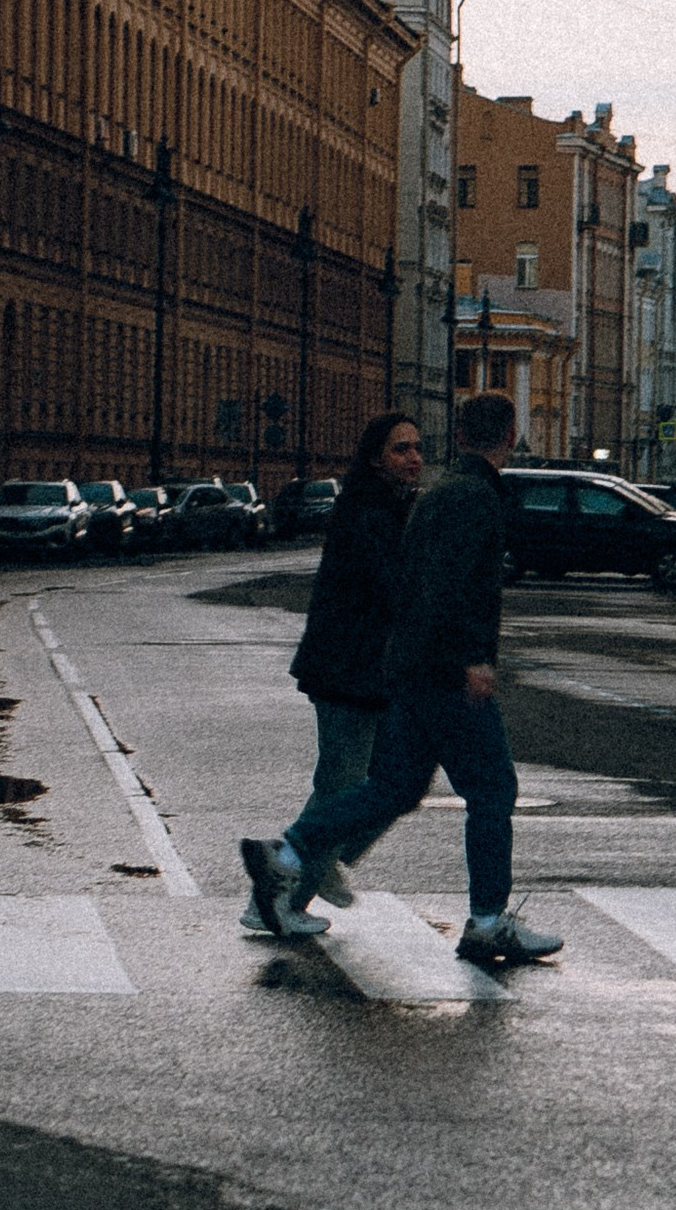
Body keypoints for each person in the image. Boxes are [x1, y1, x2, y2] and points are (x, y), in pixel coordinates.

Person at [240, 390, 562, 971]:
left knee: (393, 790)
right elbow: (450, 585)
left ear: (459, 435)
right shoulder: (472, 497)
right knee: (492, 789)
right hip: (442, 670)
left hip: (408, 668)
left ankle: (285, 854)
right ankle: (488, 921)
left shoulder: (441, 493)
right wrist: (472, 658)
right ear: (510, 434)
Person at [239, 408, 421, 937]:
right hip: (348, 668)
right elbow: (391, 591)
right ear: (375, 458)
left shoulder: (389, 506)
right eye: (400, 449)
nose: (413, 458)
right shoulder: (368, 511)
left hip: (369, 668)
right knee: (344, 783)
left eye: (416, 447)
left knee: (393, 781)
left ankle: (324, 859)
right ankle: (281, 896)